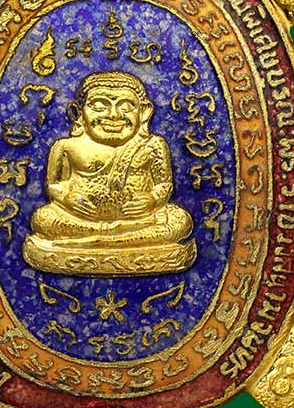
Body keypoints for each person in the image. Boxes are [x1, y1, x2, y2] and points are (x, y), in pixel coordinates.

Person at [23, 72, 195, 274]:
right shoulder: (67, 146)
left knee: (179, 220)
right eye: (99, 106)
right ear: (78, 113)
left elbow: (164, 184)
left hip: (139, 221)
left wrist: (152, 200)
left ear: (144, 112)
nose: (113, 115)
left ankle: (96, 242)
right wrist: (67, 198)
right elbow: (54, 185)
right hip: (81, 221)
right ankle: (110, 238)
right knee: (43, 218)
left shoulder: (153, 145)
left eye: (126, 107)